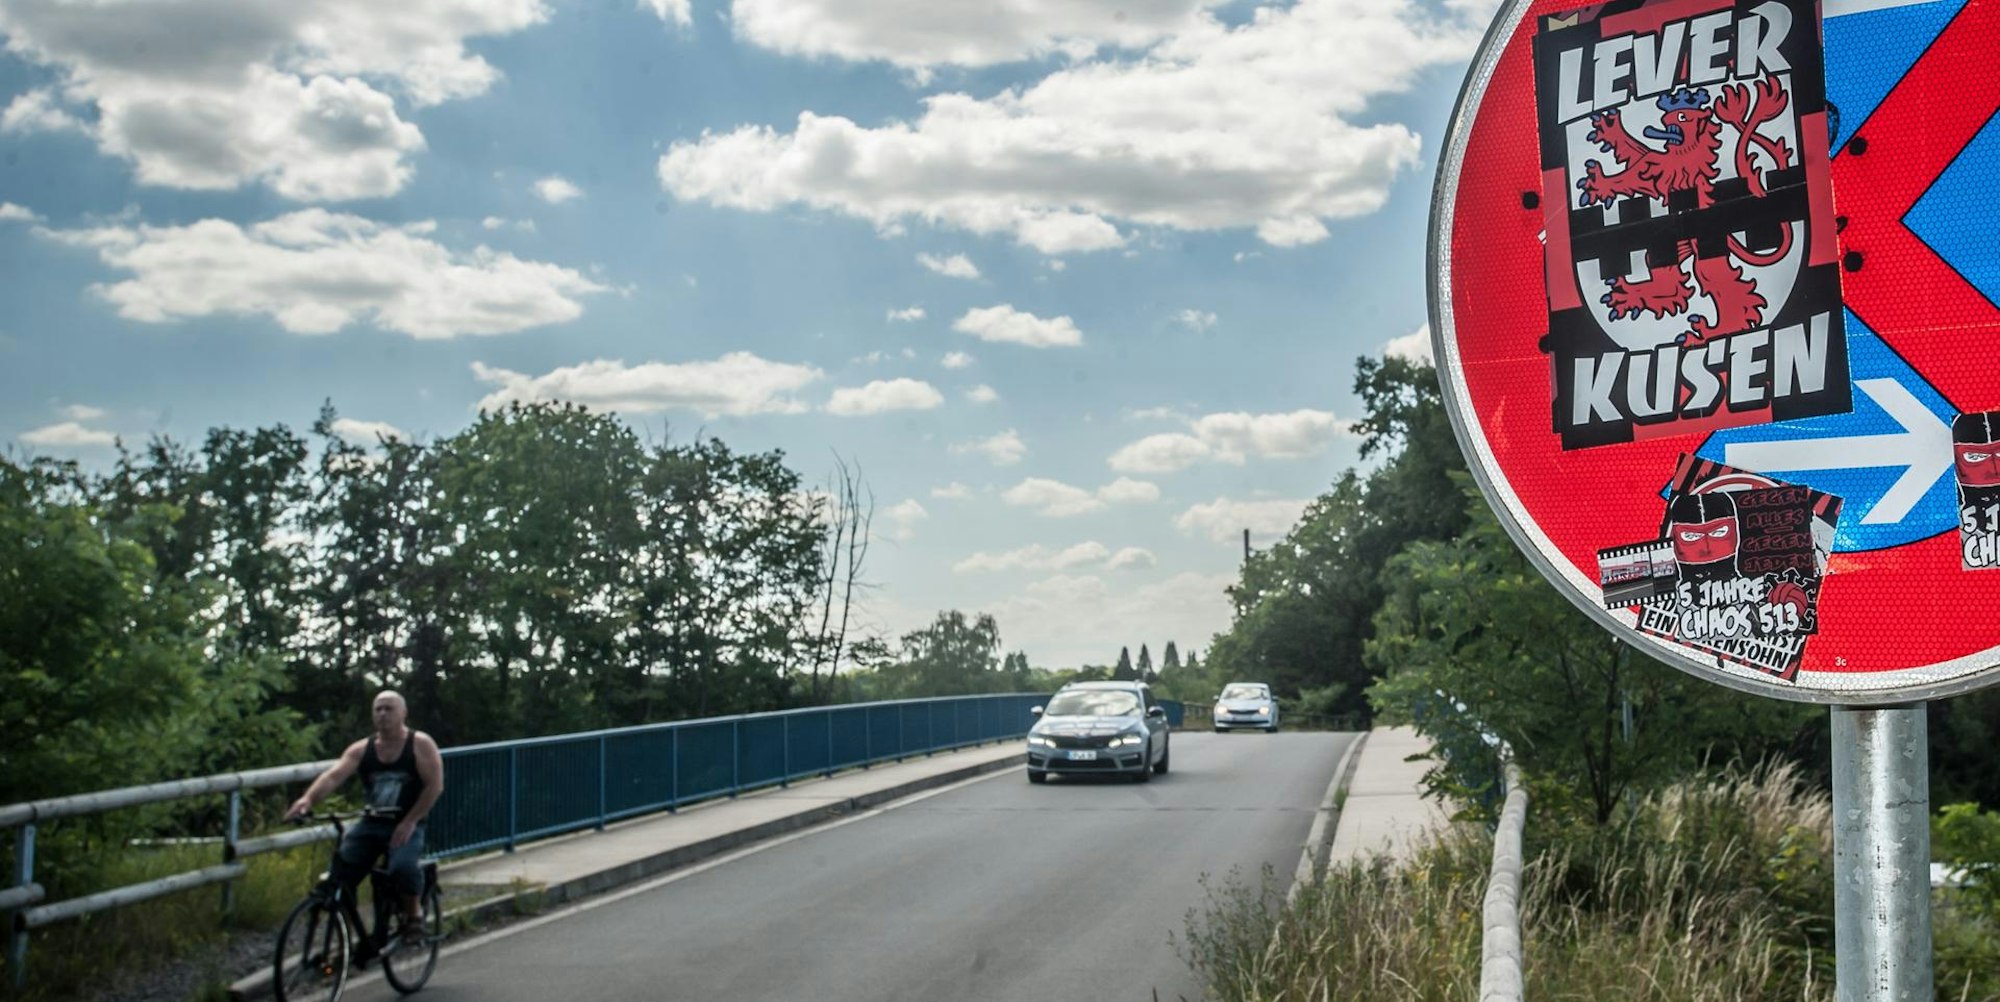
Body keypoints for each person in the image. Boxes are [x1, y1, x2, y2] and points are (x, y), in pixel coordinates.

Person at [286, 691, 444, 950]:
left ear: (403, 713)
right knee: (339, 876)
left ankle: (414, 915)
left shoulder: (420, 744)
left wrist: (411, 820)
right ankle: (347, 938)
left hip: (406, 821)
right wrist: (308, 800)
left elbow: (434, 786)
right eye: (378, 709)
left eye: (389, 709)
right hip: (371, 823)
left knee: (403, 867)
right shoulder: (362, 749)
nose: (383, 714)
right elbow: (334, 776)